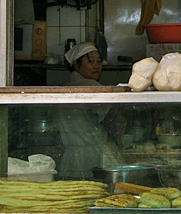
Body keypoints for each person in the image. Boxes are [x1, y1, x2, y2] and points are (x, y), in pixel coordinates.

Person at [53, 42, 126, 180]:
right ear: (76, 64)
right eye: (91, 61)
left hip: (70, 157)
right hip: (95, 154)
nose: (96, 66)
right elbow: (113, 120)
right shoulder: (92, 86)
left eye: (99, 62)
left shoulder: (64, 87)